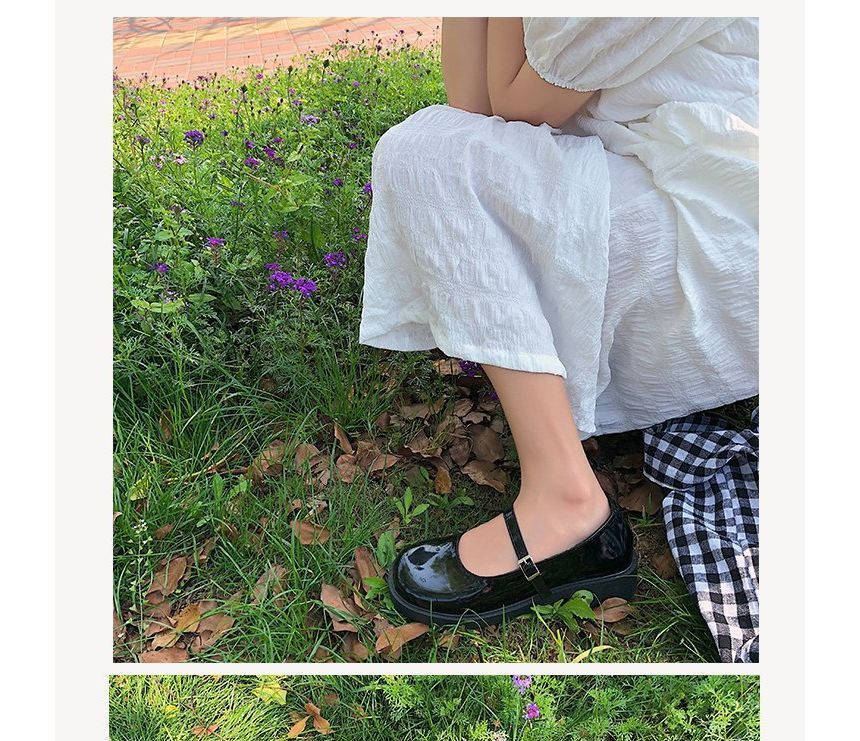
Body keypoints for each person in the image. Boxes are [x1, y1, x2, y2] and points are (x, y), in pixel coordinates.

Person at [358, 17, 759, 625]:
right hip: (700, 177)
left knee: (426, 158)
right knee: (437, 153)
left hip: (741, 223)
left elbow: (518, 107)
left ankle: (567, 503)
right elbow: (473, 111)